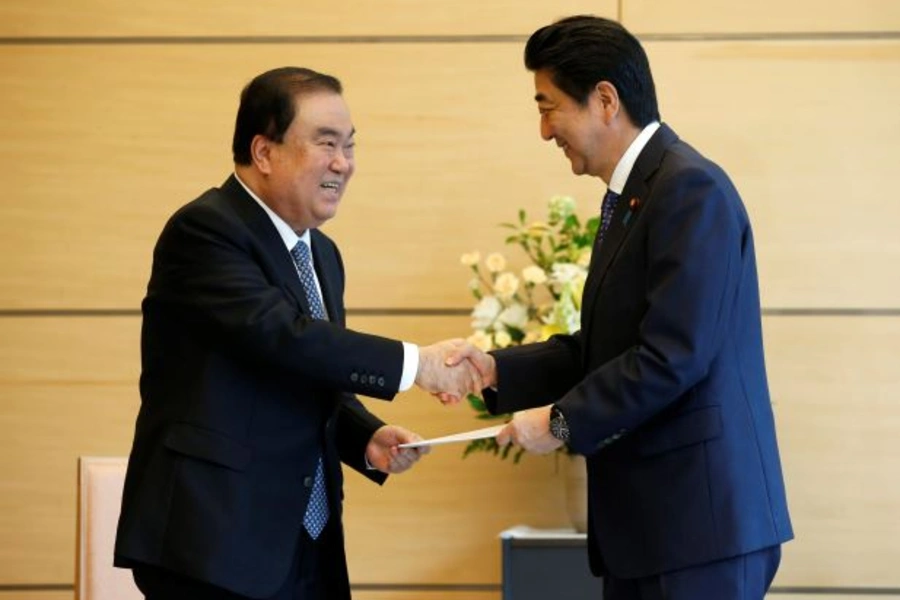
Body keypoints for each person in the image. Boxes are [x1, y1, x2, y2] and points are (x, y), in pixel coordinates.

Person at [451, 16, 793, 600]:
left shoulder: (689, 190)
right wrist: (495, 370)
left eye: (548, 106)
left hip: (698, 525)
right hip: (655, 528)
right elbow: (604, 347)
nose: (543, 130)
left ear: (605, 99)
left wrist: (560, 421)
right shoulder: (635, 197)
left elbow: (670, 356)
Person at [114, 66, 481, 600]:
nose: (343, 163)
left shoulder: (321, 253)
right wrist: (415, 365)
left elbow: (305, 374)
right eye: (326, 144)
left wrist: (365, 438)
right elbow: (283, 336)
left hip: (304, 542)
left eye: (350, 146)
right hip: (214, 542)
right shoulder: (205, 231)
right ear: (264, 152)